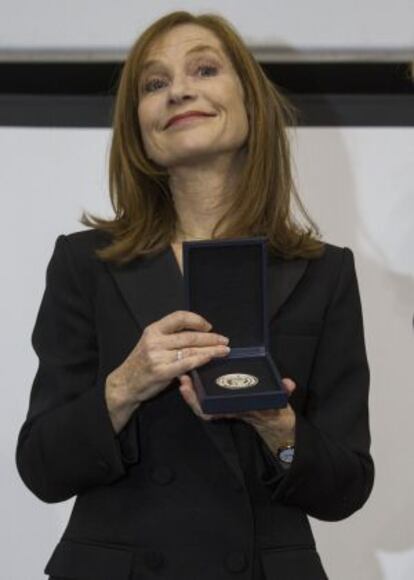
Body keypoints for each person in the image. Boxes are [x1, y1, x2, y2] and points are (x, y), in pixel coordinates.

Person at [16, 10, 374, 580]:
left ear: (251, 103)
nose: (179, 90)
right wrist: (125, 385)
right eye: (154, 84)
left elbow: (347, 488)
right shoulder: (86, 263)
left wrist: (277, 425)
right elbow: (41, 468)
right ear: (139, 128)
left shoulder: (324, 272)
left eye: (204, 69)